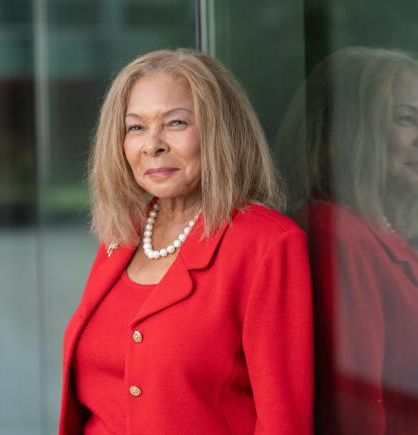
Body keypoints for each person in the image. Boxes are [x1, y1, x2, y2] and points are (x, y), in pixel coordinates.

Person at [59, 48, 313, 435]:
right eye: (136, 127)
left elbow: (284, 421)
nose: (152, 144)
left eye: (175, 123)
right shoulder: (123, 232)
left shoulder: (268, 244)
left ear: (219, 130)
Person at [276, 47, 418, 434]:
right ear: (351, 130)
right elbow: (354, 411)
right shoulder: (338, 235)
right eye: (407, 119)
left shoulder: (386, 234)